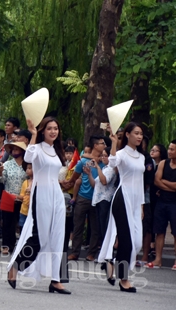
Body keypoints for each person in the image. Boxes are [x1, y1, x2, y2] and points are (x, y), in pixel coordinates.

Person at [8, 116, 70, 294]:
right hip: (40, 193)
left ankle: (57, 280)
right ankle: (15, 267)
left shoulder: (56, 149)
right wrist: (33, 135)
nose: (53, 131)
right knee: (40, 238)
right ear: (43, 130)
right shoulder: (37, 148)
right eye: (49, 128)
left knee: (60, 236)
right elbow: (28, 157)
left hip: (56, 195)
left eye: (56, 128)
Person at [98, 123, 144, 292]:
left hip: (135, 201)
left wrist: (141, 206)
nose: (139, 136)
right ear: (128, 135)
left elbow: (140, 184)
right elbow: (112, 162)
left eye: (141, 134)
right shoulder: (122, 154)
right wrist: (114, 143)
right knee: (126, 240)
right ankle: (124, 279)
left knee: (137, 241)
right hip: (122, 198)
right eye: (136, 133)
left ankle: (110, 261)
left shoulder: (141, 157)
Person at [65, 135, 105, 261]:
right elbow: (74, 177)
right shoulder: (83, 161)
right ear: (95, 145)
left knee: (95, 228)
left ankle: (91, 253)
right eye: (101, 143)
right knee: (78, 226)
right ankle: (75, 252)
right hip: (83, 197)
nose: (104, 145)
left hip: (97, 198)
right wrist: (66, 183)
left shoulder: (104, 162)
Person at [0, 141, 28, 253]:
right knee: (7, 223)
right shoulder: (7, 164)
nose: (14, 151)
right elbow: (1, 180)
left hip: (23, 197)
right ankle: (6, 245)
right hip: (8, 196)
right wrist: (0, 173)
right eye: (13, 149)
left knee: (21, 222)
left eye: (17, 149)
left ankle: (21, 246)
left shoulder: (27, 164)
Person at [150, 140, 176, 270]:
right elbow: (156, 181)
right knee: (159, 231)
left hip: (174, 203)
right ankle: (158, 259)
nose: (170, 151)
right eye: (169, 149)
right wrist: (171, 186)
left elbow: (162, 182)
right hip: (162, 202)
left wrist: (164, 183)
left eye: (173, 149)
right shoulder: (162, 163)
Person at [92, 146, 117, 256]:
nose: (102, 158)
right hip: (98, 199)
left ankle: (107, 251)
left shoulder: (111, 169)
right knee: (99, 226)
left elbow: (104, 181)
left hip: (105, 200)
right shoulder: (104, 168)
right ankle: (103, 250)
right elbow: (95, 184)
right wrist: (89, 173)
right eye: (101, 155)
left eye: (105, 155)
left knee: (104, 226)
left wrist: (97, 167)